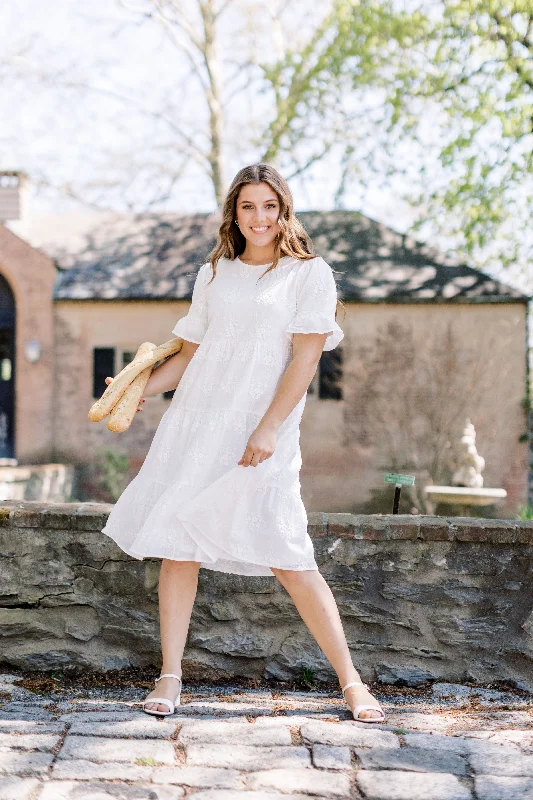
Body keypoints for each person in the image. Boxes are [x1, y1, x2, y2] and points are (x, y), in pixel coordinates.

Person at [101, 163, 385, 723]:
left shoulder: (309, 275)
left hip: (262, 430)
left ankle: (352, 683)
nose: (259, 218)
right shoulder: (214, 274)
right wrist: (134, 391)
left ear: (285, 212)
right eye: (248, 207)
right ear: (234, 212)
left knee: (290, 553)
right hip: (198, 423)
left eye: (270, 207)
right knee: (179, 545)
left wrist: (268, 428)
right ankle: (169, 677)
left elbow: (305, 359)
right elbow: (187, 356)